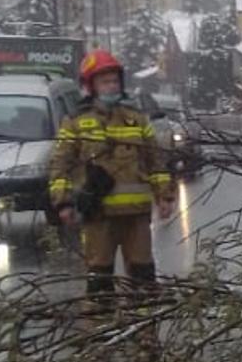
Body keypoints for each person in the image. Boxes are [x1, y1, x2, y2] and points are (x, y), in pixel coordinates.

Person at [48, 49, 176, 299]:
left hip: (136, 217)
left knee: (143, 280)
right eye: (105, 81)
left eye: (114, 80)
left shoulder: (136, 118)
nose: (111, 86)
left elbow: (156, 160)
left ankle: (144, 332)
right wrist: (63, 202)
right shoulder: (75, 122)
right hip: (98, 215)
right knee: (99, 280)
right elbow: (60, 164)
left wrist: (165, 197)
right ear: (91, 85)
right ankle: (101, 329)